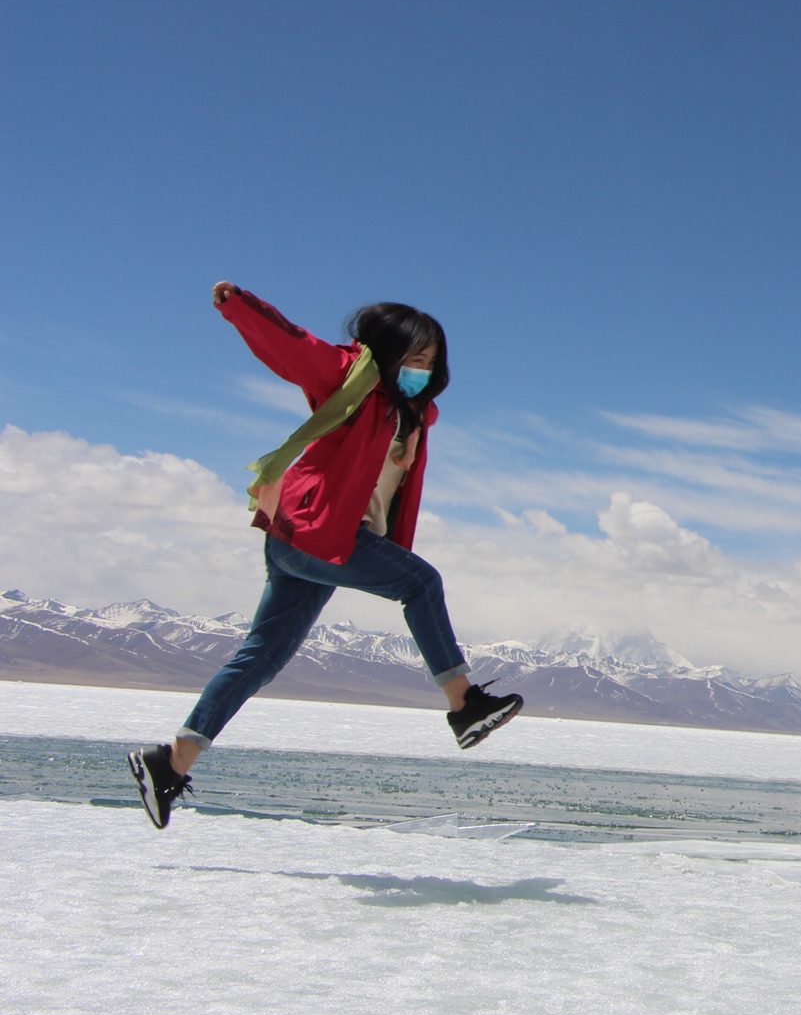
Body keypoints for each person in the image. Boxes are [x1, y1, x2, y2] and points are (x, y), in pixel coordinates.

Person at [127, 281, 524, 830]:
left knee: (260, 658)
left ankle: (168, 764)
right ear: (385, 354)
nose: (424, 368)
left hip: (315, 543)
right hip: (315, 532)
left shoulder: (411, 414)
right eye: (413, 357)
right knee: (420, 584)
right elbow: (292, 346)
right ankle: (465, 705)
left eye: (431, 360)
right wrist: (239, 306)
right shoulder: (349, 380)